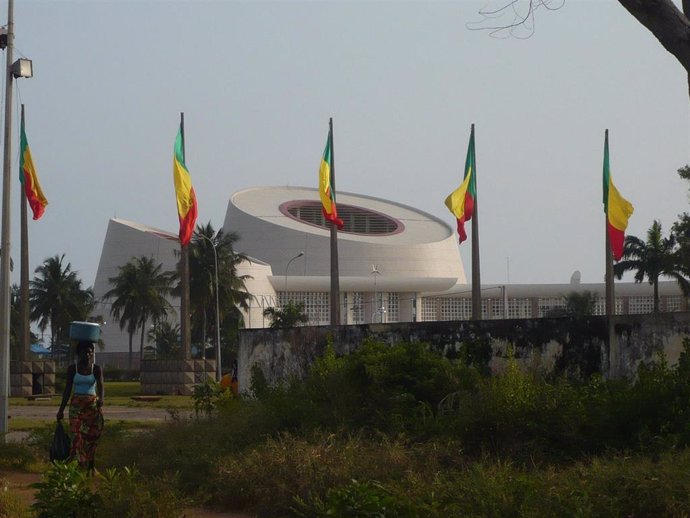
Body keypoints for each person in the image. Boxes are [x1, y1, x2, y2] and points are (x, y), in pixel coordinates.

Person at [56, 340, 105, 471]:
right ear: (79, 354)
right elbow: (67, 390)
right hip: (76, 405)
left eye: (90, 352)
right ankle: (79, 464)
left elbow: (101, 386)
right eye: (85, 352)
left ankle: (91, 464)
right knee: (76, 435)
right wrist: (61, 410)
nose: (88, 355)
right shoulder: (73, 369)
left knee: (91, 436)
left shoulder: (96, 369)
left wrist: (101, 399)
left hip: (91, 405)